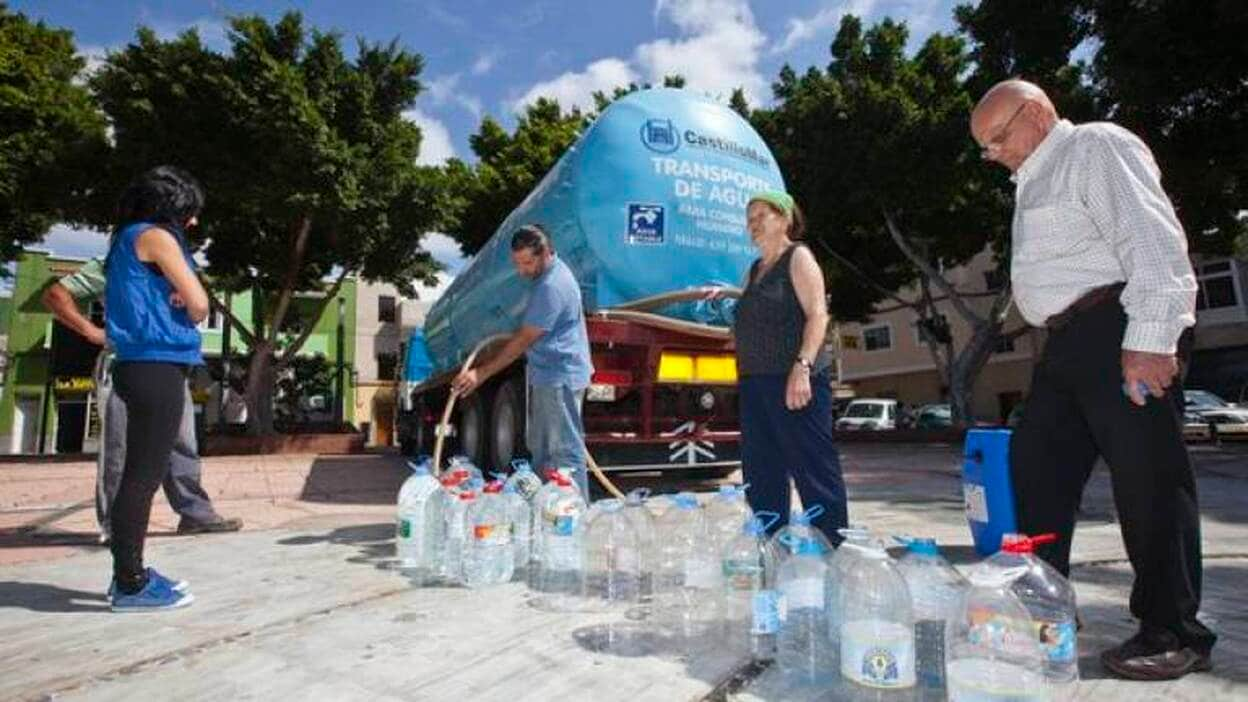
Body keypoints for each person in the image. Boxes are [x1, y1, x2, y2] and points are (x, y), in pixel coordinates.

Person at [971, 79, 1215, 680]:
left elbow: (1154, 242)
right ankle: (1047, 609)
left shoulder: (1094, 147)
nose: (994, 155)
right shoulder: (1032, 184)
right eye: (985, 149)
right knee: (1037, 470)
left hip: (1119, 326)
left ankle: (1173, 629)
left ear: (1035, 113)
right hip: (1065, 342)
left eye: (998, 139)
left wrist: (1152, 339)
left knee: (1148, 481)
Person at [42, 258, 243, 543]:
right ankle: (115, 525)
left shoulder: (181, 264)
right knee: (120, 450)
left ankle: (195, 514)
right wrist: (92, 332)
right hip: (124, 365)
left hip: (171, 365)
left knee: (182, 445)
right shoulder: (112, 264)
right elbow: (56, 295)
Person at [102, 165, 212, 612]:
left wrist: (176, 296)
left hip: (134, 364)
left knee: (138, 473)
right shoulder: (157, 238)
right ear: (172, 207)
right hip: (158, 364)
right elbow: (201, 304)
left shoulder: (124, 242)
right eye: (190, 212)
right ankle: (130, 583)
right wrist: (186, 297)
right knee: (143, 477)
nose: (194, 222)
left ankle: (128, 575)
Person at [732, 190, 847, 543]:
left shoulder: (798, 257)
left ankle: (833, 546)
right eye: (749, 219)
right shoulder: (753, 271)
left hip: (792, 380)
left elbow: (817, 315)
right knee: (761, 470)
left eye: (760, 216)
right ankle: (771, 546)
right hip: (754, 384)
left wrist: (802, 367)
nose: (752, 225)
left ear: (784, 218)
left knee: (812, 468)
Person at [451, 225, 594, 498]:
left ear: (545, 254)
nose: (522, 270)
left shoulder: (552, 286)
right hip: (547, 376)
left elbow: (524, 339)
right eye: (517, 263)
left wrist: (481, 373)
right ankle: (547, 516)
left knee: (564, 454)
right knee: (542, 452)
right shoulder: (548, 278)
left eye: (527, 263)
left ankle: (573, 522)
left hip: (559, 377)